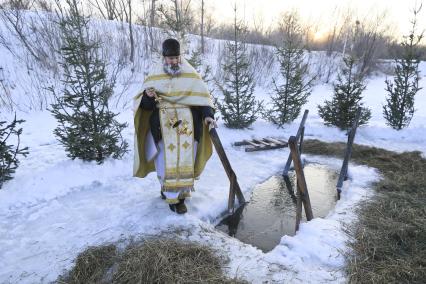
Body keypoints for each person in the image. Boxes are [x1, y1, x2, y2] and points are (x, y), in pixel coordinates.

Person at [133, 38, 216, 214]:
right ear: (163, 57)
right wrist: (147, 96)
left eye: (176, 57)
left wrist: (208, 116)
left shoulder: (191, 74)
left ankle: (182, 196)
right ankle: (170, 195)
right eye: (170, 58)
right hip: (163, 129)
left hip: (188, 129)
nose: (173, 61)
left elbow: (202, 98)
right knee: (165, 162)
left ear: (180, 56)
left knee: (186, 160)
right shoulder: (154, 75)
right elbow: (145, 107)